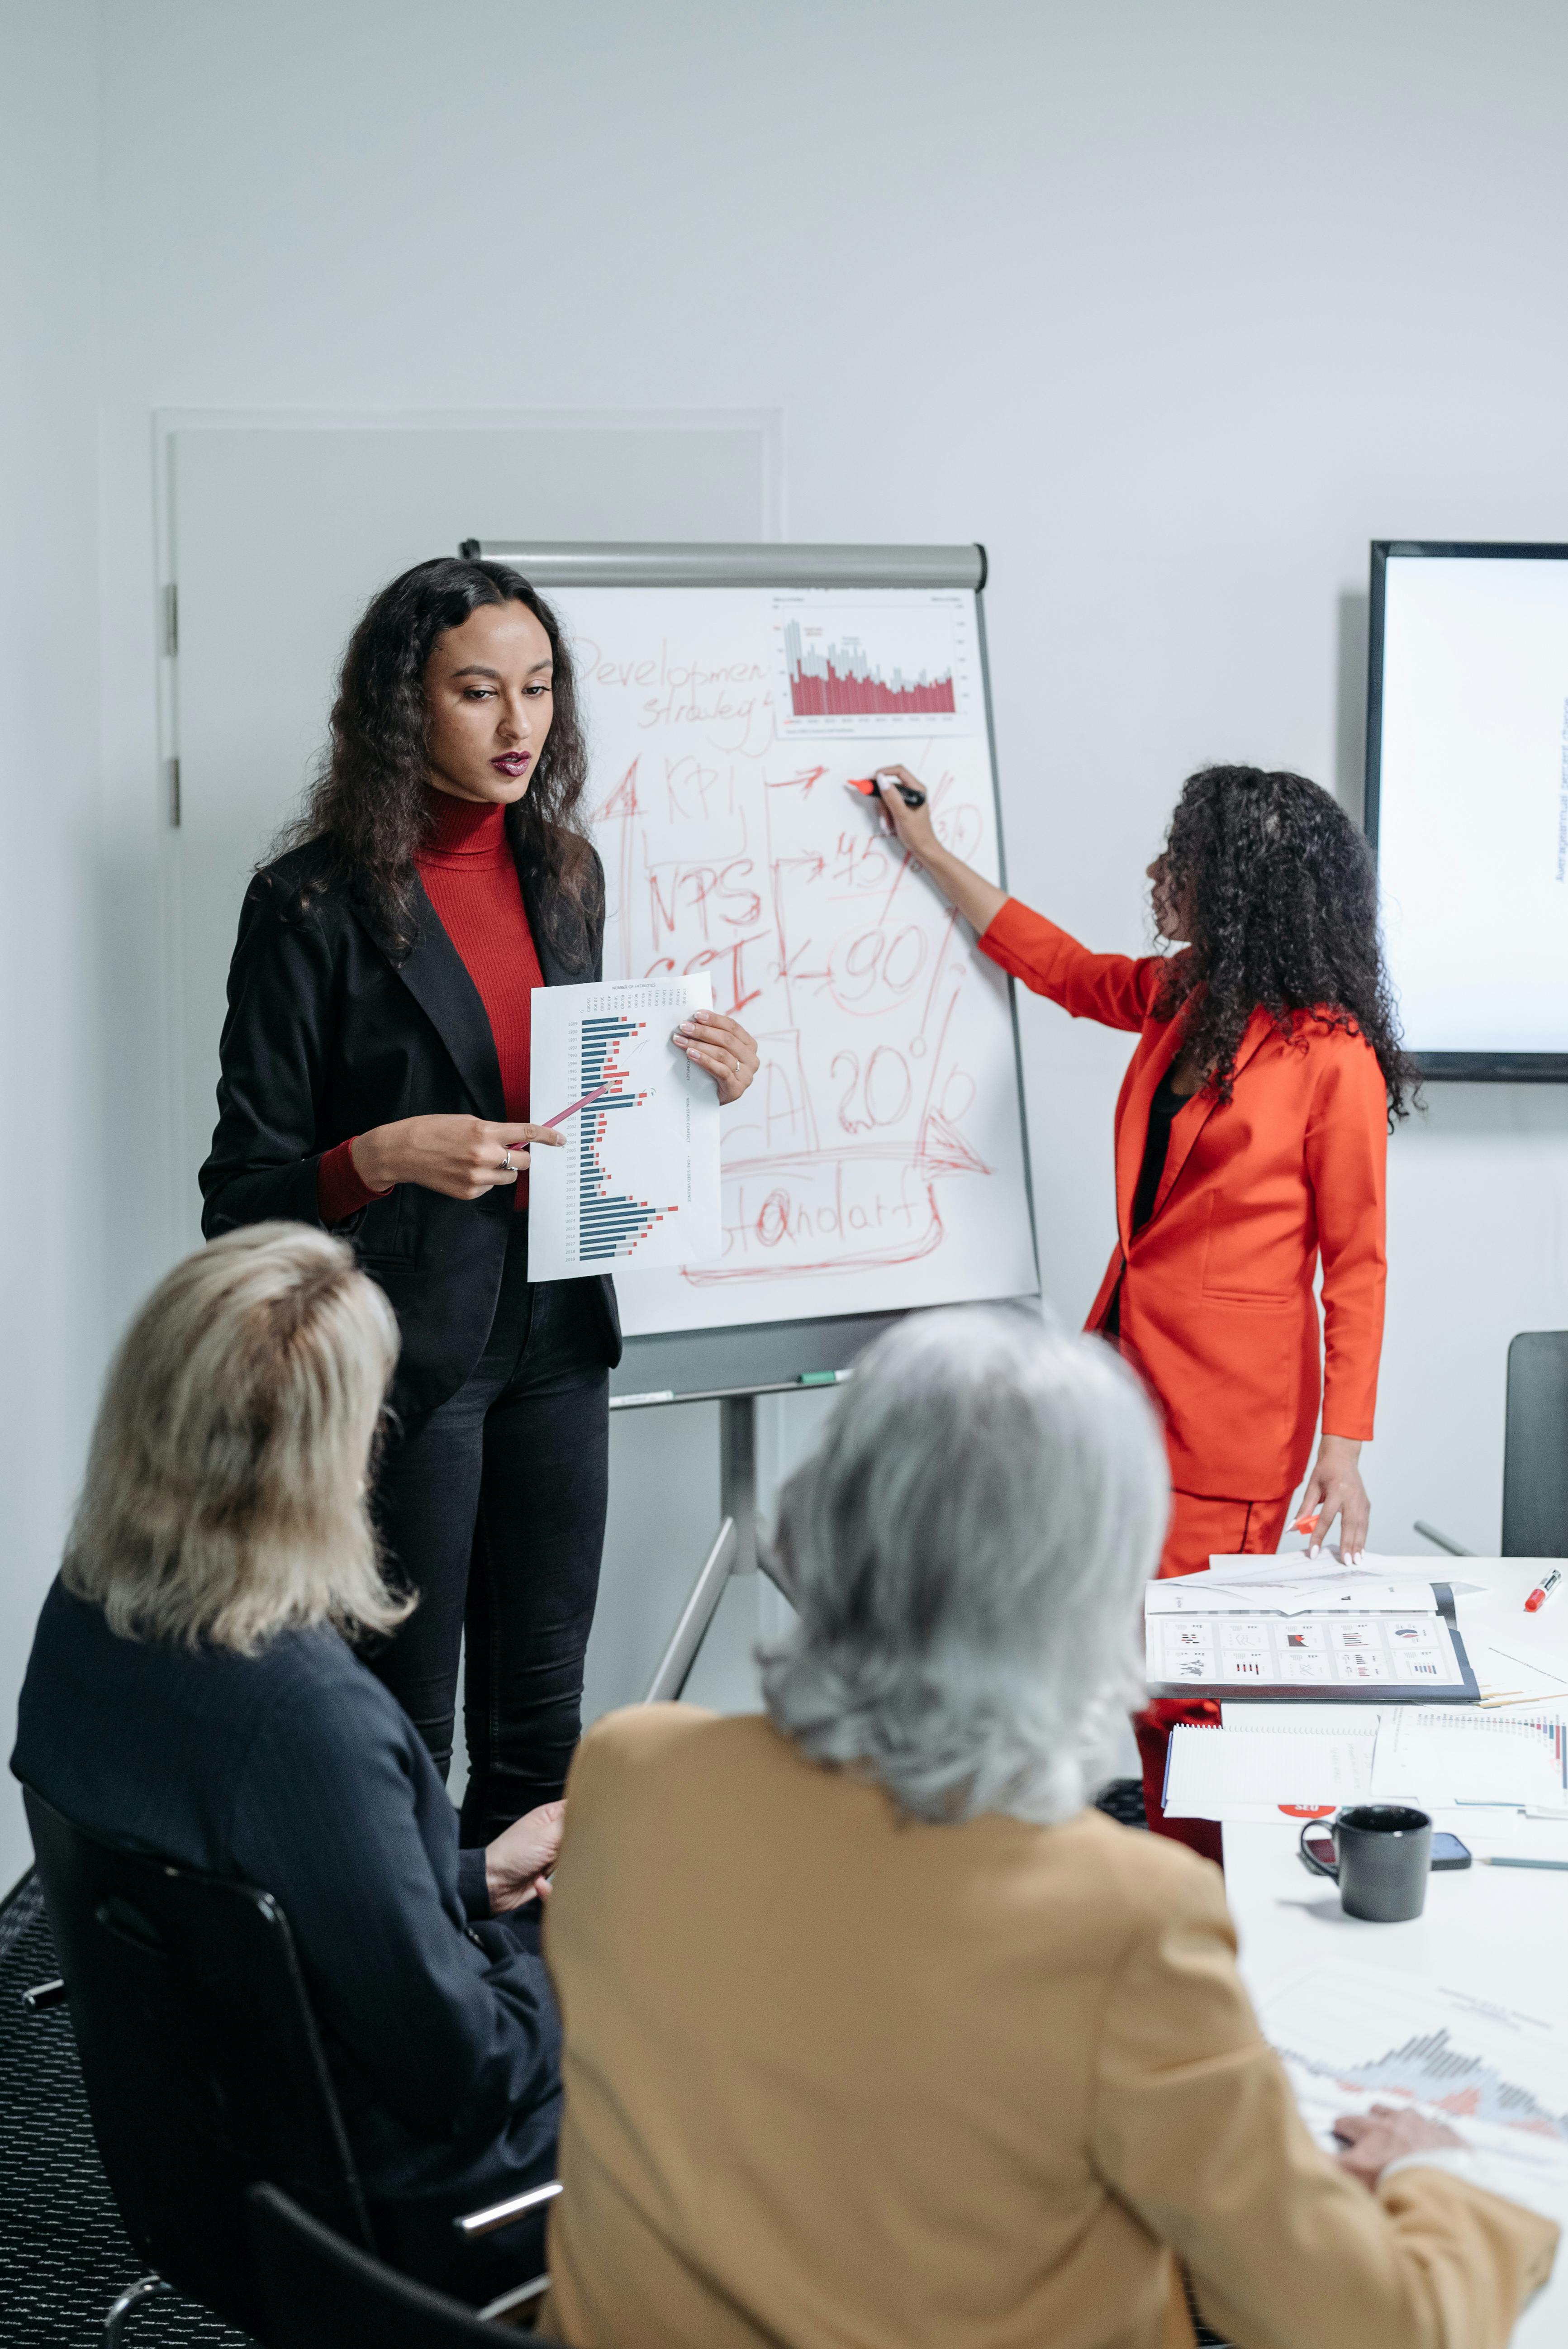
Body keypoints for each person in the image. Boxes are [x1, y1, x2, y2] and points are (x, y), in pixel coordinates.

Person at [538, 1309, 1556, 2349]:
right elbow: (1376, 2330)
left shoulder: (630, 1773)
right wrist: (1436, 2178)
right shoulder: (1122, 1919)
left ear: (822, 1512)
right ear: (1089, 1591)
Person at [199, 556, 759, 1842]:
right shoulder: (308, 907)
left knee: (542, 1733)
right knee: (398, 1738)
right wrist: (379, 1156)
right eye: (477, 693)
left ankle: (514, 2017)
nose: (520, 727)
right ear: (407, 707)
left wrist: (696, 1088)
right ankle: (402, 2021)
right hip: (403, 1364)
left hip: (561, 1343)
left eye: (540, 689)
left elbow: (575, 1102)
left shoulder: (568, 871)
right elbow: (239, 1201)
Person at [11, 1224, 575, 2296]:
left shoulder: (88, 1607)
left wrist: (472, 1875)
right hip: (410, 2203)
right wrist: (595, 1955)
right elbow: (466, 2069)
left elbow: (249, 1912)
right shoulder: (304, 1716)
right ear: (333, 1454)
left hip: (215, 2150)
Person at [861, 761, 1406, 1855]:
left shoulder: (1329, 1054)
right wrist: (926, 853)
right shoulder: (1185, 997)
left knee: (1194, 1686)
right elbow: (1061, 967)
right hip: (1127, 1382)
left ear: (1242, 884)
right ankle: (1172, 1886)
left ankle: (1202, 1907)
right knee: (1145, 1663)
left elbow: (1356, 1261)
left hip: (1234, 1420)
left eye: (1183, 859)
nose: (1159, 874)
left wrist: (1343, 1449)